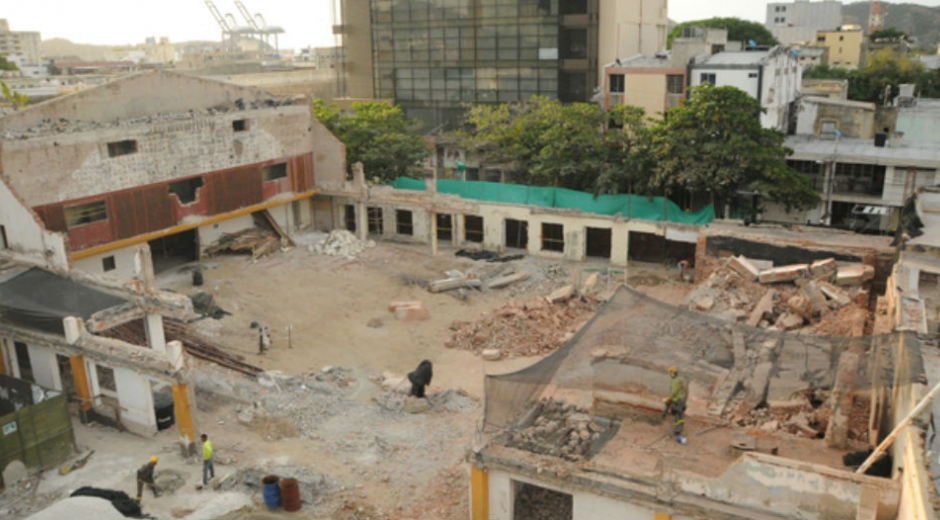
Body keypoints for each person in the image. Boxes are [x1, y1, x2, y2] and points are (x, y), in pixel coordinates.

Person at [662, 366, 688, 444]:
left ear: (672, 373)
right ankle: (679, 429)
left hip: (676, 401)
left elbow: (673, 393)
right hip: (682, 400)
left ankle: (675, 431)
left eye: (670, 373)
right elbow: (686, 388)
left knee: (676, 416)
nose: (669, 375)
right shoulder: (682, 379)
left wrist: (668, 399)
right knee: (681, 416)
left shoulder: (674, 382)